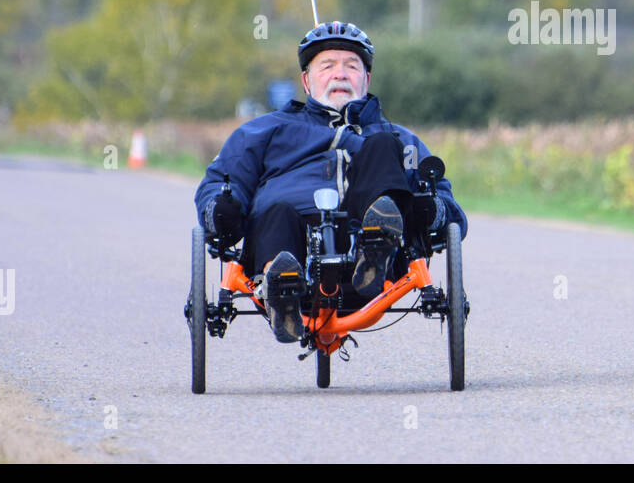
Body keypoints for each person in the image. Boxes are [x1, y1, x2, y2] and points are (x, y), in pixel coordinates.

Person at [194, 21, 468, 343]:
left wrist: (429, 209)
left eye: (352, 66)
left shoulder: (397, 138)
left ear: (366, 80)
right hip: (288, 235)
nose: (340, 74)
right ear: (306, 81)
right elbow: (219, 183)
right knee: (276, 211)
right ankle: (281, 287)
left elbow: (451, 213)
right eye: (327, 66)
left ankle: (375, 245)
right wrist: (220, 210)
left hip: (367, 256)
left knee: (382, 146)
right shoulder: (263, 131)